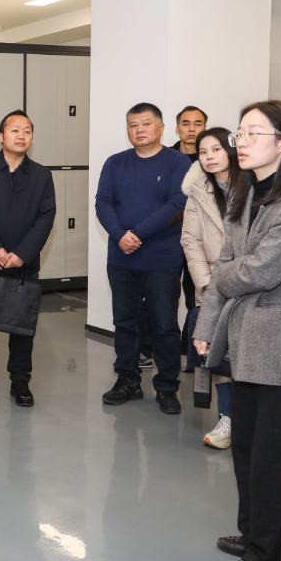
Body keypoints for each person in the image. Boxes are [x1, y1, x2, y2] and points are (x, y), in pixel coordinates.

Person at [194, 101, 281, 561]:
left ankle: (270, 559)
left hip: (277, 345)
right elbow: (227, 269)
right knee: (247, 449)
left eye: (254, 132)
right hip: (242, 338)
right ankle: (253, 533)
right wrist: (205, 326)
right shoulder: (246, 193)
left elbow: (259, 270)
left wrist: (228, 272)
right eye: (240, 132)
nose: (242, 141)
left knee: (271, 457)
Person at [96, 103, 192, 413]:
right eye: (133, 125)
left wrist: (137, 234)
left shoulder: (177, 162)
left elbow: (178, 203)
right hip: (121, 258)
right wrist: (119, 235)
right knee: (125, 323)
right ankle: (128, 380)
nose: (139, 130)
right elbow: (103, 202)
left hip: (162, 259)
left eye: (146, 123)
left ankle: (167, 387)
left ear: (161, 128)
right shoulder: (115, 163)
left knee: (164, 325)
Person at [0, 110, 56, 408]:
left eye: (27, 131)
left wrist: (23, 254)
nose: (21, 135)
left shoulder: (41, 175)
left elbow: (46, 217)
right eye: (14, 130)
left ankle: (20, 381)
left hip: (23, 265)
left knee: (22, 326)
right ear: (1, 136)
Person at [180, 127, 240, 448]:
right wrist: (207, 282)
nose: (209, 157)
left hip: (249, 285)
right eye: (203, 152)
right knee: (219, 359)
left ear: (230, 149)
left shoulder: (253, 185)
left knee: (250, 356)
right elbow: (190, 241)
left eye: (216, 149)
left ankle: (250, 421)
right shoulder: (198, 191)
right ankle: (226, 420)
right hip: (212, 286)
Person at [170, 106, 208, 363]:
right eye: (186, 123)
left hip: (200, 240)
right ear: (177, 128)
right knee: (163, 295)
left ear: (205, 127)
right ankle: (151, 348)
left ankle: (188, 349)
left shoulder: (212, 159)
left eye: (198, 123)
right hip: (169, 237)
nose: (192, 129)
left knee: (196, 297)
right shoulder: (167, 158)